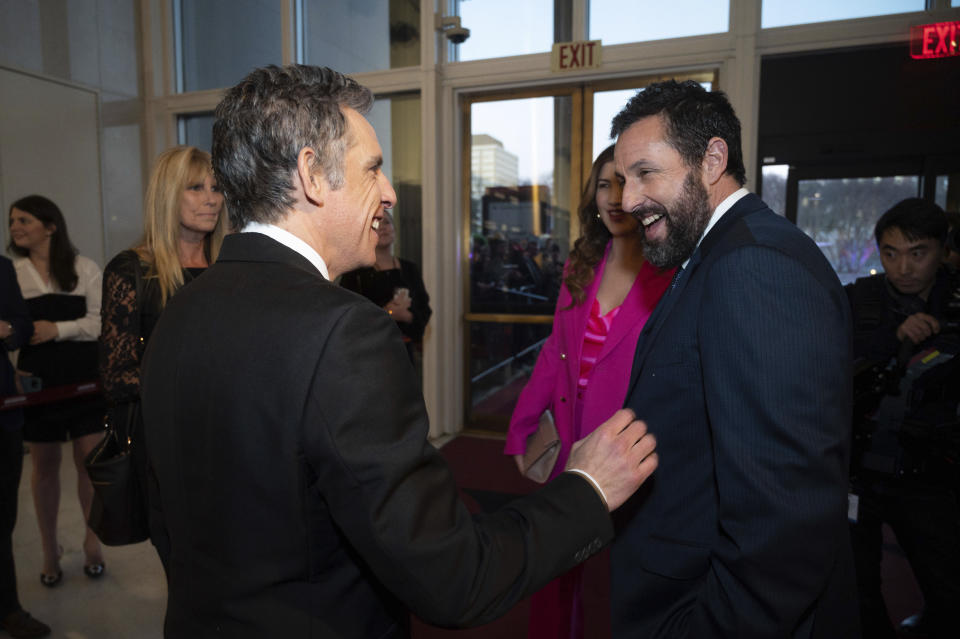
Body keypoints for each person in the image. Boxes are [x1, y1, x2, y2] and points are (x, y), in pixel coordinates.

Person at [139, 64, 658, 639]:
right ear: (312, 174)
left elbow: (167, 517)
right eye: (372, 168)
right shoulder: (343, 332)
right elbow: (456, 577)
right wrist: (587, 489)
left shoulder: (180, 310)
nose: (388, 192)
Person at [611, 80, 859, 638]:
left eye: (646, 173)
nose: (627, 200)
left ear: (713, 159)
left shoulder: (754, 267)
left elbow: (783, 521)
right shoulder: (715, 257)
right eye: (625, 179)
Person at [504, 144, 673, 639]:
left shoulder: (668, 271)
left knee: (616, 575)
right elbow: (553, 354)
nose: (616, 197)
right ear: (593, 197)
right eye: (605, 184)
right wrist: (522, 428)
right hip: (570, 435)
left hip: (627, 441)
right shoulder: (581, 266)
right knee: (559, 564)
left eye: (625, 182)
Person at [99, 145, 225, 566]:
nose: (211, 198)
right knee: (185, 568)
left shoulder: (229, 267)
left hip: (231, 437)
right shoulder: (133, 269)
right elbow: (116, 375)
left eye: (217, 187)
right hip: (167, 446)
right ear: (169, 195)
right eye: (196, 188)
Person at [846, 198, 960, 639]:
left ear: (943, 249)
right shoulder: (860, 300)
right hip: (860, 468)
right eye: (890, 253)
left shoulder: (955, 302)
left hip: (929, 474)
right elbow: (832, 367)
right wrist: (892, 341)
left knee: (946, 587)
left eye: (918, 253)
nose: (904, 267)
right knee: (857, 589)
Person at [8, 195, 105, 587]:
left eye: (24, 219)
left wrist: (57, 329)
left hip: (85, 381)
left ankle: (93, 541)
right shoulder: (11, 274)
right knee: (44, 467)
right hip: (37, 385)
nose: (14, 227)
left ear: (50, 226)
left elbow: (99, 323)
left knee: (90, 463)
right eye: (12, 221)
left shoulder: (84, 268)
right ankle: (50, 549)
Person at [0, 256, 51, 638]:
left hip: (3, 417)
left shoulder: (1, 268)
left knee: (3, 519)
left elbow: (21, 327)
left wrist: (8, 330)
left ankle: (8, 608)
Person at [339, 209, 432, 362]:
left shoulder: (410, 268)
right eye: (376, 224)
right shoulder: (355, 273)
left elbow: (424, 310)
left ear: (394, 229)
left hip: (405, 354)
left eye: (387, 223)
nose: (383, 228)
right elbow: (349, 318)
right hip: (370, 356)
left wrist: (407, 316)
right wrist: (388, 313)